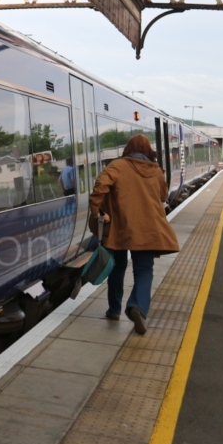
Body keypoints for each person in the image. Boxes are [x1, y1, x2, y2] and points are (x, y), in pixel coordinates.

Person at [89, 134, 179, 335]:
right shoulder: (155, 171)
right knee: (144, 270)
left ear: (128, 149)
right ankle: (137, 306)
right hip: (147, 229)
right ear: (148, 151)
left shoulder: (117, 166)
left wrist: (98, 212)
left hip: (119, 227)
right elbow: (163, 195)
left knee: (116, 267)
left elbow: (99, 187)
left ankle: (114, 310)